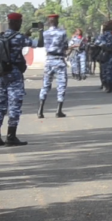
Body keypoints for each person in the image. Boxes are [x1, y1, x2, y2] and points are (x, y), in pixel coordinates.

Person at [0, 12, 35, 145]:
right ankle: (11, 136)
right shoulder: (20, 37)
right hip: (14, 74)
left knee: (1, 106)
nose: (20, 25)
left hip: (1, 74)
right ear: (15, 23)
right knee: (15, 105)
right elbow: (39, 43)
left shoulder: (2, 36)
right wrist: (41, 30)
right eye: (19, 23)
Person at [38, 14, 69, 119]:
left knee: (45, 85)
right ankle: (58, 110)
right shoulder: (62, 33)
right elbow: (66, 46)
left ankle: (40, 110)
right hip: (59, 60)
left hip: (49, 60)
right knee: (61, 85)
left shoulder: (45, 33)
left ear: (48, 22)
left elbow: (41, 44)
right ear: (57, 21)